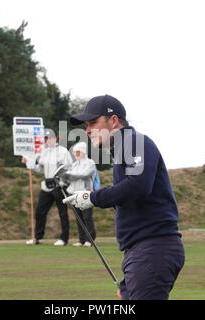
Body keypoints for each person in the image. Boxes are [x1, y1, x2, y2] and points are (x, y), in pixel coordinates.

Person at [64, 95, 185, 300]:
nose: (88, 130)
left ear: (113, 121)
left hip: (153, 249)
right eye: (86, 125)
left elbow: (138, 186)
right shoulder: (122, 149)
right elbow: (130, 196)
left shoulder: (134, 141)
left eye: (93, 123)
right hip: (141, 252)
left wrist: (93, 198)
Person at [23, 129, 73, 246]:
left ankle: (64, 239)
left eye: (50, 138)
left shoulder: (63, 151)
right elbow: (40, 169)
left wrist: (62, 179)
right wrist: (28, 163)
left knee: (62, 212)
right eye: (46, 138)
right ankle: (38, 237)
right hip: (46, 185)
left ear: (56, 138)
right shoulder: (43, 152)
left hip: (59, 185)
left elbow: (68, 168)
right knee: (40, 211)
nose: (48, 140)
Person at [62, 141, 97, 247]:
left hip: (85, 193)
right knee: (79, 218)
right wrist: (63, 178)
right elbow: (70, 178)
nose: (76, 155)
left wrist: (69, 174)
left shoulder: (90, 163)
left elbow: (84, 174)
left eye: (78, 152)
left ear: (83, 152)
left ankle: (90, 239)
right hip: (74, 194)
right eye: (75, 153)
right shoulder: (75, 164)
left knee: (87, 217)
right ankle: (81, 239)